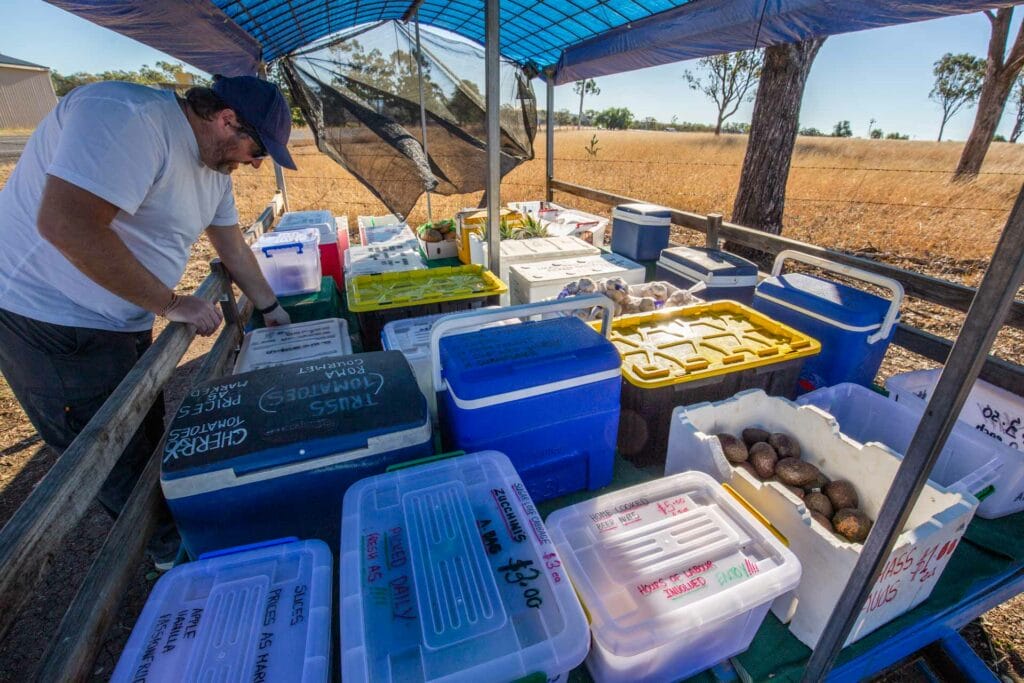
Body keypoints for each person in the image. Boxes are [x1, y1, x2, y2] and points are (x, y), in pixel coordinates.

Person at [0, 74, 295, 563]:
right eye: (256, 149)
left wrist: (270, 307)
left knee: (145, 429)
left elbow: (232, 246)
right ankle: (172, 560)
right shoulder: (128, 118)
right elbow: (65, 223)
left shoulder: (212, 169)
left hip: (121, 317)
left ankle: (181, 534)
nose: (256, 163)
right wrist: (171, 302)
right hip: (51, 320)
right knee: (111, 451)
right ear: (226, 119)